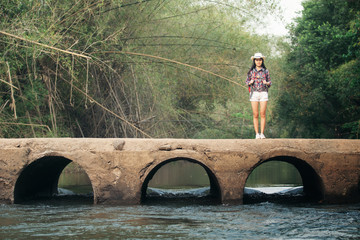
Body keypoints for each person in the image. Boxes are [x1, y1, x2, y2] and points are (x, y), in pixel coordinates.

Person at [246, 53, 272, 139]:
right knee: (255, 114)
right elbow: (247, 82)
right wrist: (250, 82)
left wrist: (266, 83)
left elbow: (270, 83)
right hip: (254, 93)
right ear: (254, 61)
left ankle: (262, 133)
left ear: (262, 61)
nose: (258, 62)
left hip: (263, 93)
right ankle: (257, 134)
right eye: (257, 60)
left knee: (263, 114)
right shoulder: (251, 71)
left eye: (260, 60)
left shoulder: (265, 71)